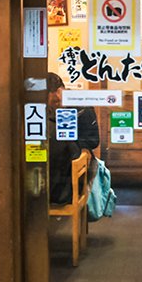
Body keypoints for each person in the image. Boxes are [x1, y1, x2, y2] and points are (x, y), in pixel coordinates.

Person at [47, 73, 100, 204]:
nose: (57, 105)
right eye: (53, 103)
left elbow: (93, 141)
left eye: (58, 101)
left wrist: (79, 146)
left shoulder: (82, 106)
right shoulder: (40, 110)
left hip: (70, 171)